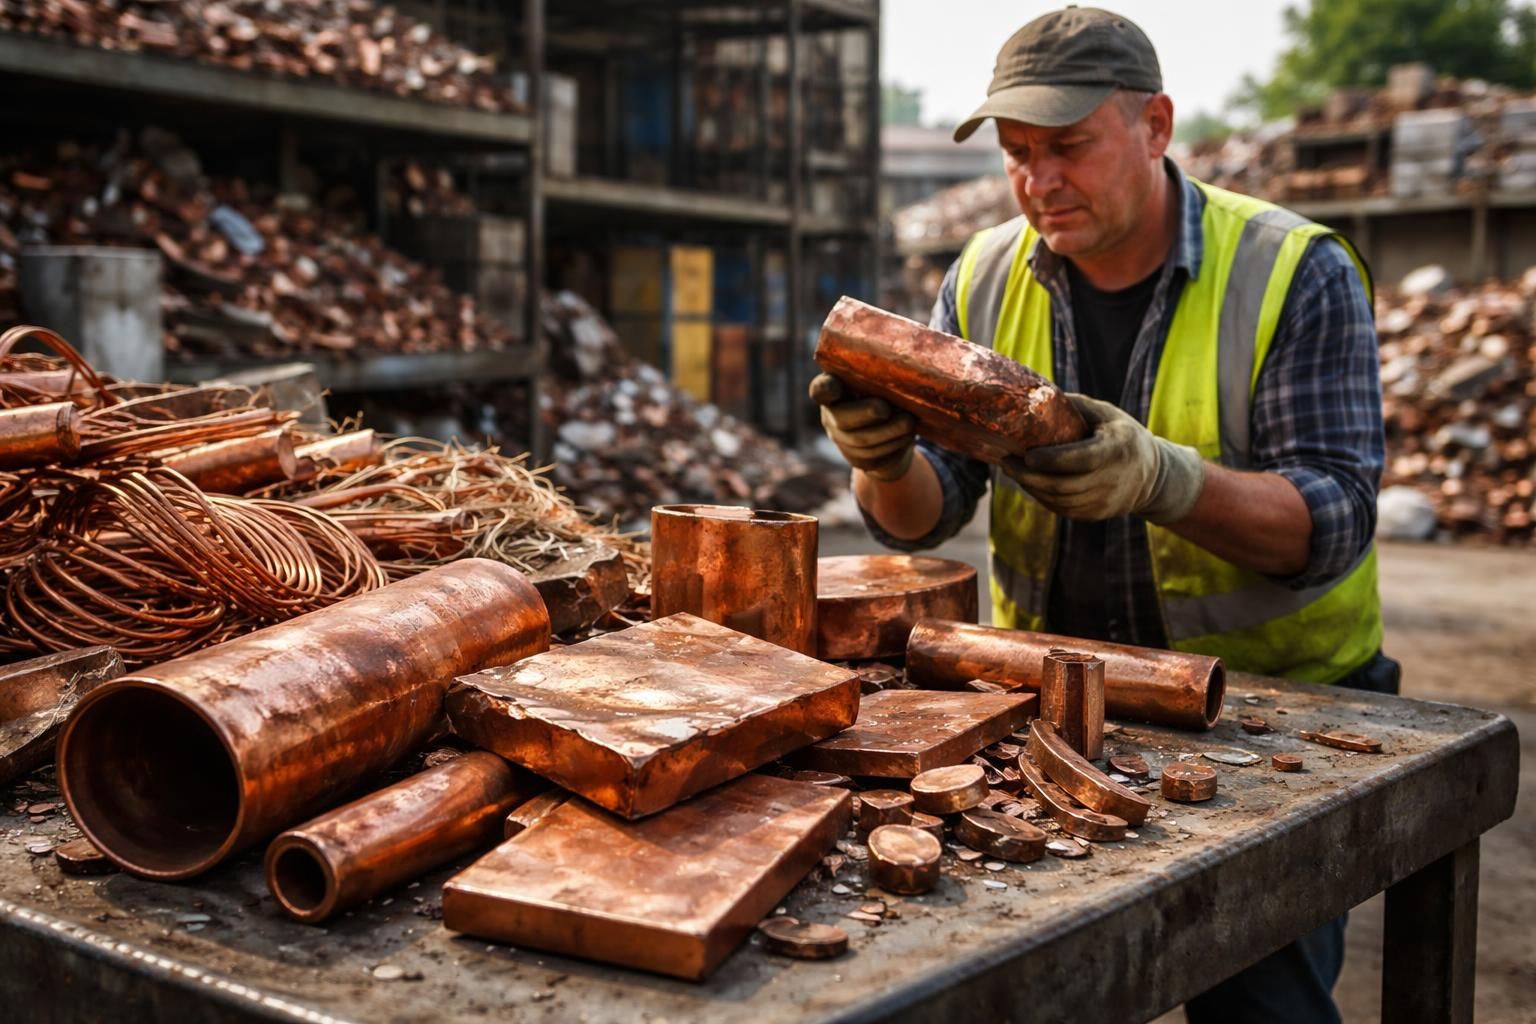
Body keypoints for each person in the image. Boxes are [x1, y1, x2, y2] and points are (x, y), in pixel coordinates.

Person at [811, 7, 1400, 1023]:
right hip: (1060, 713)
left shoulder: (1293, 270)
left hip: (1278, 714)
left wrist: (1168, 481)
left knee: (1262, 1007)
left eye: (1069, 146)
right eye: (1017, 153)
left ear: (1156, 125)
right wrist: (884, 460)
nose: (1039, 180)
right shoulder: (984, 275)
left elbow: (1336, 517)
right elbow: (921, 518)